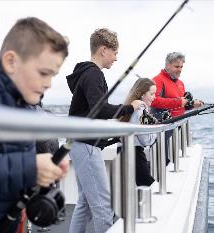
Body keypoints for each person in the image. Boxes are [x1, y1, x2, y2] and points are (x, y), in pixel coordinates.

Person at [0, 17, 70, 233]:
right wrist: (29, 167)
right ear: (11, 62)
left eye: (53, 76)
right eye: (44, 73)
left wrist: (44, 170)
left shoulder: (23, 102)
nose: (49, 83)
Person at [67, 28, 144, 233]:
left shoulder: (86, 73)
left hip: (82, 143)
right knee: (103, 206)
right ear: (103, 50)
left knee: (84, 203)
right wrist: (131, 107)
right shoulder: (93, 74)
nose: (116, 58)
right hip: (86, 145)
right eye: (115, 52)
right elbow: (99, 109)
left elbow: (89, 113)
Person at [151, 52, 204, 164]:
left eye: (181, 67)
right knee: (161, 162)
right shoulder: (157, 80)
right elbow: (154, 101)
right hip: (163, 127)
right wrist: (178, 102)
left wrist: (192, 104)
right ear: (167, 65)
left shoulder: (181, 83)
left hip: (177, 127)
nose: (179, 70)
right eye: (176, 66)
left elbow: (182, 104)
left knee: (171, 160)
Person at [119, 78, 157, 186]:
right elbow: (145, 140)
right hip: (136, 154)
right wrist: (155, 132)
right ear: (142, 94)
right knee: (148, 185)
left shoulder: (131, 109)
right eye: (151, 94)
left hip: (125, 152)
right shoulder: (140, 111)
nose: (154, 97)